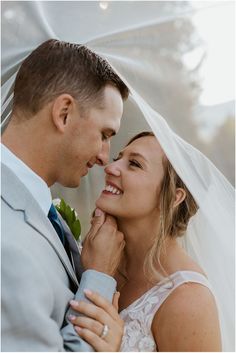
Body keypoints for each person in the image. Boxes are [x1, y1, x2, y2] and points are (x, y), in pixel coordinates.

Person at [1, 39, 129, 351]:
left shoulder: (39, 210)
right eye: (104, 135)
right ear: (64, 112)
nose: (104, 157)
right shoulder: (6, 242)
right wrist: (98, 278)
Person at [70, 131, 222, 351]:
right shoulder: (94, 253)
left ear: (174, 197)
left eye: (134, 164)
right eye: (117, 159)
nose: (110, 168)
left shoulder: (188, 299)